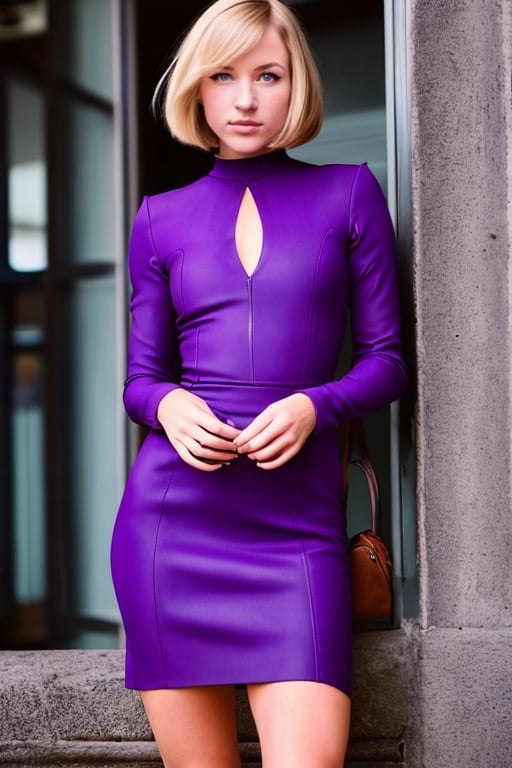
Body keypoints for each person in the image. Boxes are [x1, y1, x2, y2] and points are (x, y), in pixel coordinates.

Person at [110, 0, 407, 766]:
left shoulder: (348, 194)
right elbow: (141, 380)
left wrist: (317, 405)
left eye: (267, 75)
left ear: (294, 83)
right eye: (225, 75)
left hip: (297, 540)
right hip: (172, 530)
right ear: (198, 92)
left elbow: (387, 361)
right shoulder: (159, 217)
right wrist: (170, 404)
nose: (246, 99)